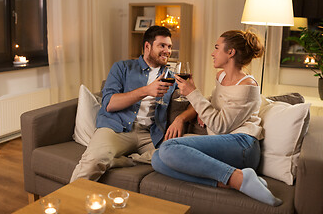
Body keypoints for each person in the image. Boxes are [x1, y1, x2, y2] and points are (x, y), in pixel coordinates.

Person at [151, 30, 283, 206]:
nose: (213, 53)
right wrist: (200, 110)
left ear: (231, 52)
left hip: (243, 145)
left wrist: (192, 93)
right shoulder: (221, 76)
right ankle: (232, 182)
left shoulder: (248, 86)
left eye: (217, 48)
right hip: (224, 142)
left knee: (168, 147)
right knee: (158, 159)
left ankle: (239, 179)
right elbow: (215, 103)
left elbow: (221, 126)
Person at [70, 25, 196, 182]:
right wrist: (146, 91)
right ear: (147, 46)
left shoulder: (171, 76)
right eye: (162, 45)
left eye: (169, 46)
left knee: (181, 156)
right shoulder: (122, 68)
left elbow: (195, 101)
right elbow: (109, 104)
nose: (167, 51)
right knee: (92, 162)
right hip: (116, 129)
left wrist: (180, 119)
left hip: (150, 135)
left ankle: (127, 160)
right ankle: (68, 203)